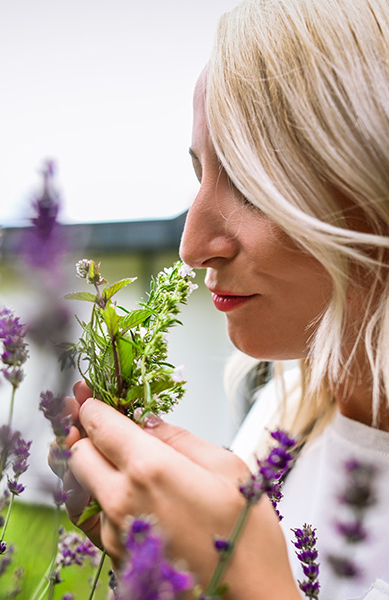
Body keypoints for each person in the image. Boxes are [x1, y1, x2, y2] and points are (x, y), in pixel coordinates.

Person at [51, 0, 389, 598]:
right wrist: (159, 563)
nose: (192, 246)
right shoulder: (289, 412)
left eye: (253, 182)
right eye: (200, 171)